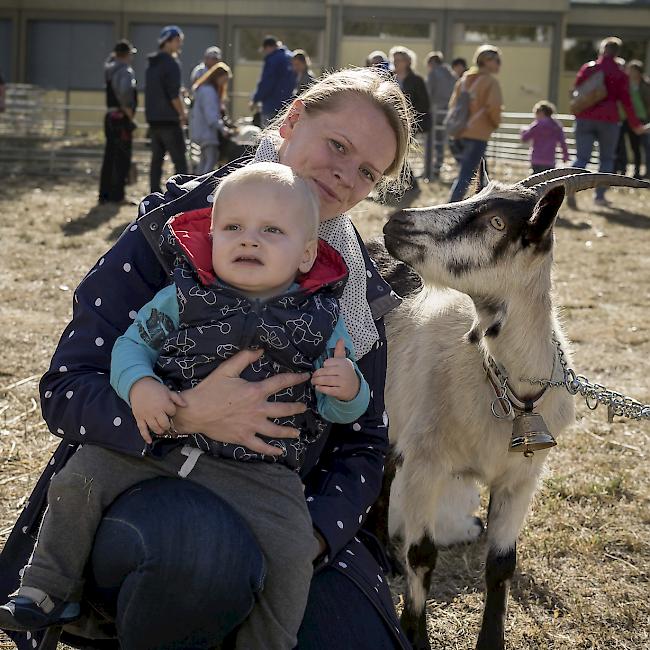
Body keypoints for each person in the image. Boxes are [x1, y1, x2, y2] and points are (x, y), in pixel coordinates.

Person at [0, 67, 415, 650]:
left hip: (280, 501)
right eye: (337, 145)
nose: (346, 175)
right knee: (204, 558)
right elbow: (69, 386)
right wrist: (184, 412)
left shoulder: (356, 294)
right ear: (293, 120)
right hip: (144, 478)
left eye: (368, 171)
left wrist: (312, 536)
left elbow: (365, 444)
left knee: (351, 637)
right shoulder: (177, 227)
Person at [569, 37, 646, 208]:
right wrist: (635, 125)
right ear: (617, 53)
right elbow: (627, 102)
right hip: (609, 120)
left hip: (585, 118)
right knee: (606, 160)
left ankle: (568, 189)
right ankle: (600, 197)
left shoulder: (588, 68)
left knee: (581, 158)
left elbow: (576, 91)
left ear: (602, 50)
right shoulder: (620, 73)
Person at [447, 44, 503, 202]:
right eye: (497, 60)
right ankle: (450, 209)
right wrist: (495, 123)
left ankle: (485, 204)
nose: (499, 64)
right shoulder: (490, 82)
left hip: (459, 134)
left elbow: (453, 105)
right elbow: (494, 107)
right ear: (487, 61)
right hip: (478, 134)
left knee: (480, 173)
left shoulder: (464, 80)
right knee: (466, 176)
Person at [145, 25, 188, 194]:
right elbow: (173, 95)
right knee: (180, 161)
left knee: (156, 160)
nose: (179, 45)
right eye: (177, 41)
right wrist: (182, 113)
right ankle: (182, 195)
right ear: (167, 42)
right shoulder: (171, 63)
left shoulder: (151, 65)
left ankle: (153, 194)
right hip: (169, 120)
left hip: (154, 120)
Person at [98, 39, 138, 205]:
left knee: (110, 156)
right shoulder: (125, 71)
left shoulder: (109, 69)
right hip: (120, 119)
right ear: (126, 54)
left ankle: (105, 194)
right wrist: (130, 115)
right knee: (121, 157)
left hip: (110, 117)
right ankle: (118, 195)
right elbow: (125, 94)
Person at [390, 46, 430, 196]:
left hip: (409, 124)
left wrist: (414, 121)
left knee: (397, 153)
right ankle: (402, 184)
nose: (396, 62)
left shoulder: (417, 80)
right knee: (393, 153)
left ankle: (410, 184)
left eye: (399, 60)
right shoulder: (389, 77)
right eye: (394, 59)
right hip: (390, 122)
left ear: (407, 62)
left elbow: (423, 104)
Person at [190, 62, 233, 174]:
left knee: (204, 160)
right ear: (218, 76)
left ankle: (196, 183)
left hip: (202, 130)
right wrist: (223, 129)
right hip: (207, 132)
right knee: (210, 160)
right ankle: (202, 185)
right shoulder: (209, 92)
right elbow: (211, 115)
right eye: (224, 80)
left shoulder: (204, 89)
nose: (224, 83)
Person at [614, 60, 650, 179]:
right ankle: (620, 169)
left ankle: (637, 172)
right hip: (625, 117)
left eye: (634, 70)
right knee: (619, 144)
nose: (631, 73)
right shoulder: (625, 83)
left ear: (639, 72)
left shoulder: (645, 85)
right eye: (630, 70)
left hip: (640, 118)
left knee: (636, 146)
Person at [250, 35, 295, 127]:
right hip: (288, 104)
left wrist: (255, 99)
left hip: (271, 104)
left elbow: (266, 83)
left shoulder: (272, 59)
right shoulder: (290, 57)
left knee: (268, 134)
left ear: (268, 47)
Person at [425, 51, 457, 177]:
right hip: (450, 112)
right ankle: (441, 165)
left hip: (437, 111)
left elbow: (428, 93)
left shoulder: (434, 74)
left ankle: (434, 168)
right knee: (446, 140)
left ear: (432, 62)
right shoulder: (451, 74)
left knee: (435, 141)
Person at [520, 100, 569, 174]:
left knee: (536, 182)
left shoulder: (536, 125)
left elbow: (524, 138)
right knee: (548, 182)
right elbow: (563, 142)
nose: (535, 117)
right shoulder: (556, 126)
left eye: (536, 114)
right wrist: (565, 155)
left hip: (537, 160)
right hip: (550, 161)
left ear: (541, 113)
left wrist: (523, 131)